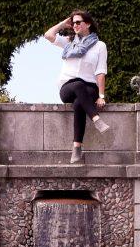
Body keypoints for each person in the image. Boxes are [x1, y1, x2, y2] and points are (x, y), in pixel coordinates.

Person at [43, 9, 109, 164]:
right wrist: (62, 24)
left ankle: (77, 149)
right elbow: (48, 35)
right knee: (78, 84)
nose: (75, 25)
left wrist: (101, 96)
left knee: (80, 103)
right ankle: (96, 118)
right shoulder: (69, 42)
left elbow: (100, 71)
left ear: (88, 24)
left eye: (78, 22)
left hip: (89, 88)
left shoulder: (100, 46)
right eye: (73, 23)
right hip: (68, 88)